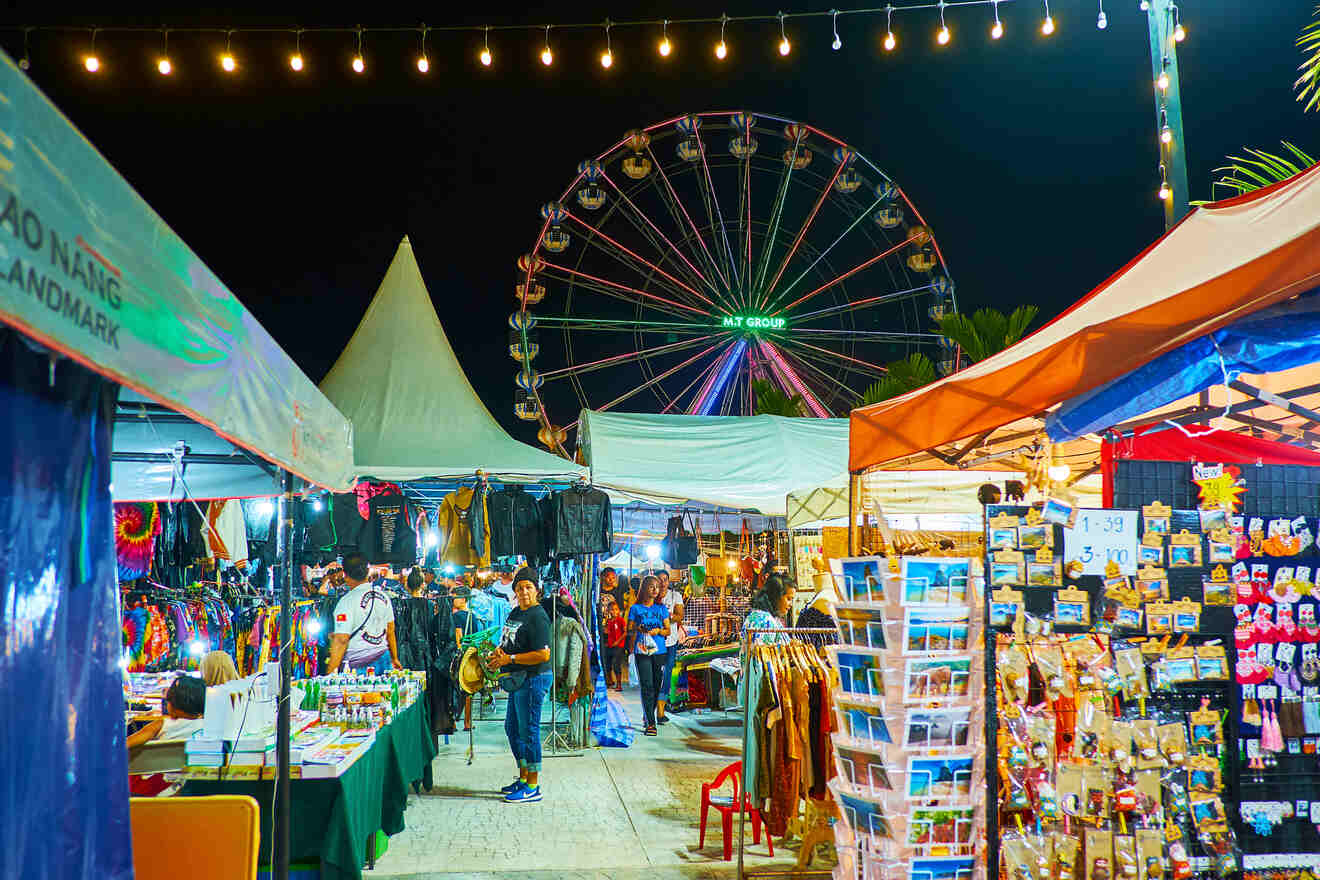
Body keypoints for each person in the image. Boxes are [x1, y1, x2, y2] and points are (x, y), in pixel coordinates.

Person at [491, 567, 552, 804]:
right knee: (513, 729)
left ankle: (533, 786)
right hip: (517, 680)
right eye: (519, 587)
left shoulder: (538, 616)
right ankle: (524, 777)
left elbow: (543, 654)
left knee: (529, 731)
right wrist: (500, 653)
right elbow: (507, 642)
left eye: (528, 587)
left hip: (533, 678)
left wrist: (511, 659)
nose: (524, 591)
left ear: (536, 589)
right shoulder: (516, 612)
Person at [326, 552, 402, 674]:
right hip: (384, 659)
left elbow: (341, 640)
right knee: (386, 693)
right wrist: (394, 658)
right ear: (368, 573)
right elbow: (390, 630)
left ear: (345, 575)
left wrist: (330, 673)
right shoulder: (383, 597)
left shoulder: (346, 602)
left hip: (359, 667)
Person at [628, 574, 671, 736]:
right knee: (647, 685)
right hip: (643, 651)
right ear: (644, 588)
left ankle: (648, 715)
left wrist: (658, 630)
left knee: (656, 685)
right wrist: (638, 628)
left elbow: (668, 630)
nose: (655, 590)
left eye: (657, 587)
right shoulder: (635, 608)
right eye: (652, 586)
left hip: (659, 651)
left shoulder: (661, 609)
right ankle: (651, 723)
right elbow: (629, 629)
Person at [656, 571, 685, 724]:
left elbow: (680, 615)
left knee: (666, 675)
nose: (662, 583)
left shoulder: (675, 596)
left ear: (668, 582)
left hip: (670, 642)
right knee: (654, 676)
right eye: (659, 580)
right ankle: (650, 710)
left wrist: (667, 617)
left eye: (665, 580)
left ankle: (660, 711)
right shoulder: (650, 595)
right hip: (653, 642)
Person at [743, 573, 796, 645]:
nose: (791, 604)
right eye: (788, 599)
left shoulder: (759, 616)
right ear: (776, 597)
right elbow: (765, 654)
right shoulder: (766, 621)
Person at [451, 586, 475, 731]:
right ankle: (467, 722)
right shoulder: (473, 616)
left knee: (455, 689)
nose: (453, 600)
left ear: (464, 599)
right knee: (468, 690)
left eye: (455, 597)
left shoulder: (456, 616)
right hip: (471, 655)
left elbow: (458, 636)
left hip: (460, 655)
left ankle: (453, 722)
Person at [604, 600, 627, 691]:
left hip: (619, 646)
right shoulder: (608, 621)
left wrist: (618, 641)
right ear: (609, 611)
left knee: (616, 664)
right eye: (612, 610)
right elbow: (607, 632)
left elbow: (625, 632)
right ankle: (610, 681)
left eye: (616, 609)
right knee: (608, 664)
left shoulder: (620, 620)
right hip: (609, 646)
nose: (614, 612)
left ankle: (619, 684)